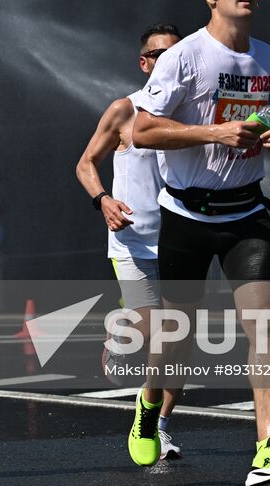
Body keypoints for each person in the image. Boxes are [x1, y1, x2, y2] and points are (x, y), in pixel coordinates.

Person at [130, 0, 270, 486]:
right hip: (187, 214)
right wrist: (213, 134)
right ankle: (148, 401)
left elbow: (267, 116)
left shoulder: (269, 56)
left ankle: (267, 448)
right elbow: (142, 131)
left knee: (266, 328)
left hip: (248, 212)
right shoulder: (182, 58)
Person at [75, 23, 182, 465]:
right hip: (132, 245)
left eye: (177, 54)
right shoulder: (124, 110)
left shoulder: (192, 113)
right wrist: (102, 200)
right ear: (144, 63)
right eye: (159, 54)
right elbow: (84, 164)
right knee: (157, 331)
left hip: (181, 243)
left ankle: (157, 425)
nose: (168, 61)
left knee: (178, 345)